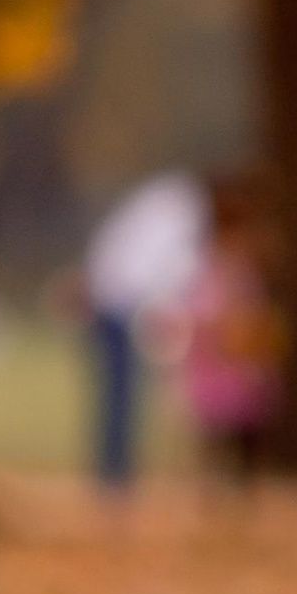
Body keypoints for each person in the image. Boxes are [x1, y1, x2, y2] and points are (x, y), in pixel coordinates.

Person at [79, 171, 204, 488]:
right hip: (124, 304)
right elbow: (170, 268)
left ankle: (114, 470)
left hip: (117, 299)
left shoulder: (163, 201)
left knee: (118, 393)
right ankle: (115, 472)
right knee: (122, 393)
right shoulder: (185, 211)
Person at [180, 172, 284, 480]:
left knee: (241, 428)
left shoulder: (244, 265)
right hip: (222, 355)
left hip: (239, 358)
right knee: (221, 426)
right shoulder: (216, 265)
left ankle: (236, 486)